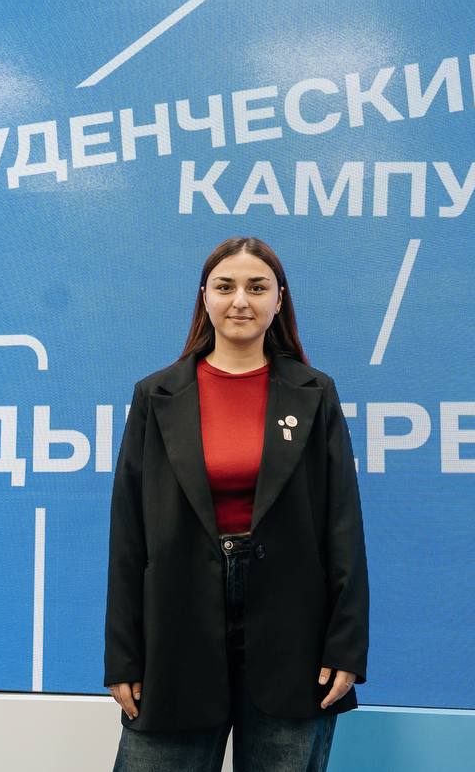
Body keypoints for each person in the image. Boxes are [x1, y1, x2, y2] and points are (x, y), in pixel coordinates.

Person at [104, 236, 370, 772]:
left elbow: (342, 523)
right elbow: (129, 533)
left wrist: (346, 646)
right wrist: (124, 655)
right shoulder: (156, 396)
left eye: (257, 287)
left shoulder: (315, 393)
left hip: (293, 633)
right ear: (204, 297)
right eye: (225, 287)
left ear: (279, 299)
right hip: (176, 628)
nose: (240, 301)